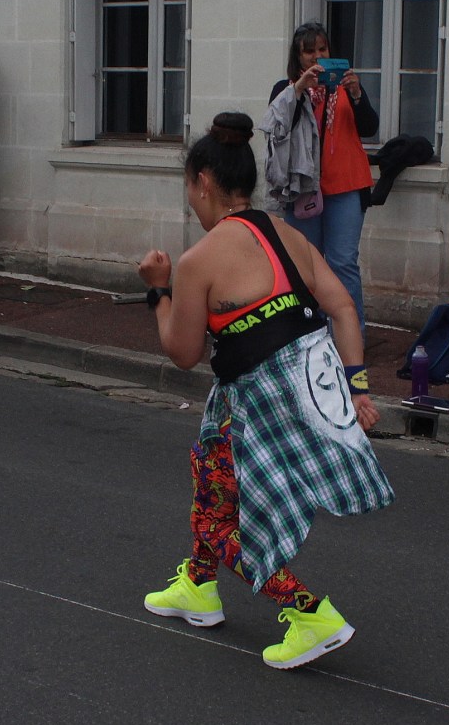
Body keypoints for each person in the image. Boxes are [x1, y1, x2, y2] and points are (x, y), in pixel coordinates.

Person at [137, 111, 394, 671]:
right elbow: (344, 307)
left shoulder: (197, 261)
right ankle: (198, 589)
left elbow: (182, 354)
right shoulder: (288, 234)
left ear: (204, 181)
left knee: (216, 520)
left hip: (255, 410)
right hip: (302, 398)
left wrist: (158, 292)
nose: (191, 205)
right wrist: (356, 389)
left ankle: (310, 614)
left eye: (189, 192)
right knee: (211, 485)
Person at [261, 21, 380, 334]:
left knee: (343, 263)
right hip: (303, 188)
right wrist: (299, 87)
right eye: (309, 51)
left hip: (346, 185)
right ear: (298, 56)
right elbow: (275, 124)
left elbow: (369, 127)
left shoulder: (344, 87)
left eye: (322, 49)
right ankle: (309, 333)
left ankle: (352, 335)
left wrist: (356, 93)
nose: (316, 57)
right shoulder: (286, 88)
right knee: (305, 264)